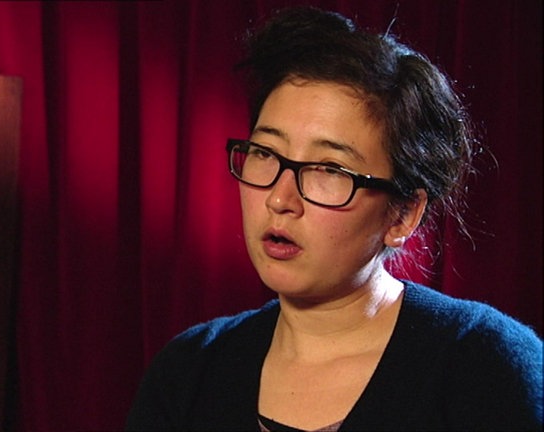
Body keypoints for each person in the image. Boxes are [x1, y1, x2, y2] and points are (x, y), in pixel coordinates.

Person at [125, 6, 542, 432]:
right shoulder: (188, 372)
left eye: (328, 169)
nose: (280, 199)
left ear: (404, 214)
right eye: (266, 153)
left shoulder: (484, 366)